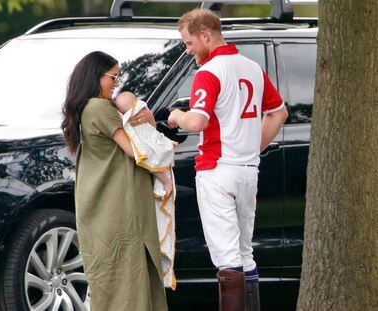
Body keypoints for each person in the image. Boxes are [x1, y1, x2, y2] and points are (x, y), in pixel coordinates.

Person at [168, 8, 288, 311]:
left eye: (189, 43)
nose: (188, 50)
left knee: (227, 257)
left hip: (217, 170)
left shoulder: (208, 72)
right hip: (248, 170)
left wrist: (176, 116)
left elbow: (196, 123)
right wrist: (252, 147)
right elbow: (279, 113)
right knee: (245, 254)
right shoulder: (251, 67)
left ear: (205, 35)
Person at [61, 51, 168, 311]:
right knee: (129, 279)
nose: (116, 84)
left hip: (100, 205)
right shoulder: (99, 107)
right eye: (113, 77)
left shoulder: (85, 108)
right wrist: (151, 123)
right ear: (96, 76)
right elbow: (135, 150)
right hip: (118, 206)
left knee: (112, 279)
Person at [114, 91, 177, 290]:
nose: (144, 110)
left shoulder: (132, 123)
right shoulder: (135, 126)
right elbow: (149, 156)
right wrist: (166, 181)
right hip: (156, 182)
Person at [115, 91, 174, 199]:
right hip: (154, 144)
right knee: (154, 164)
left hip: (151, 145)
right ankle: (166, 183)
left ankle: (166, 182)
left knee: (153, 163)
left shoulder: (134, 114)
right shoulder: (142, 108)